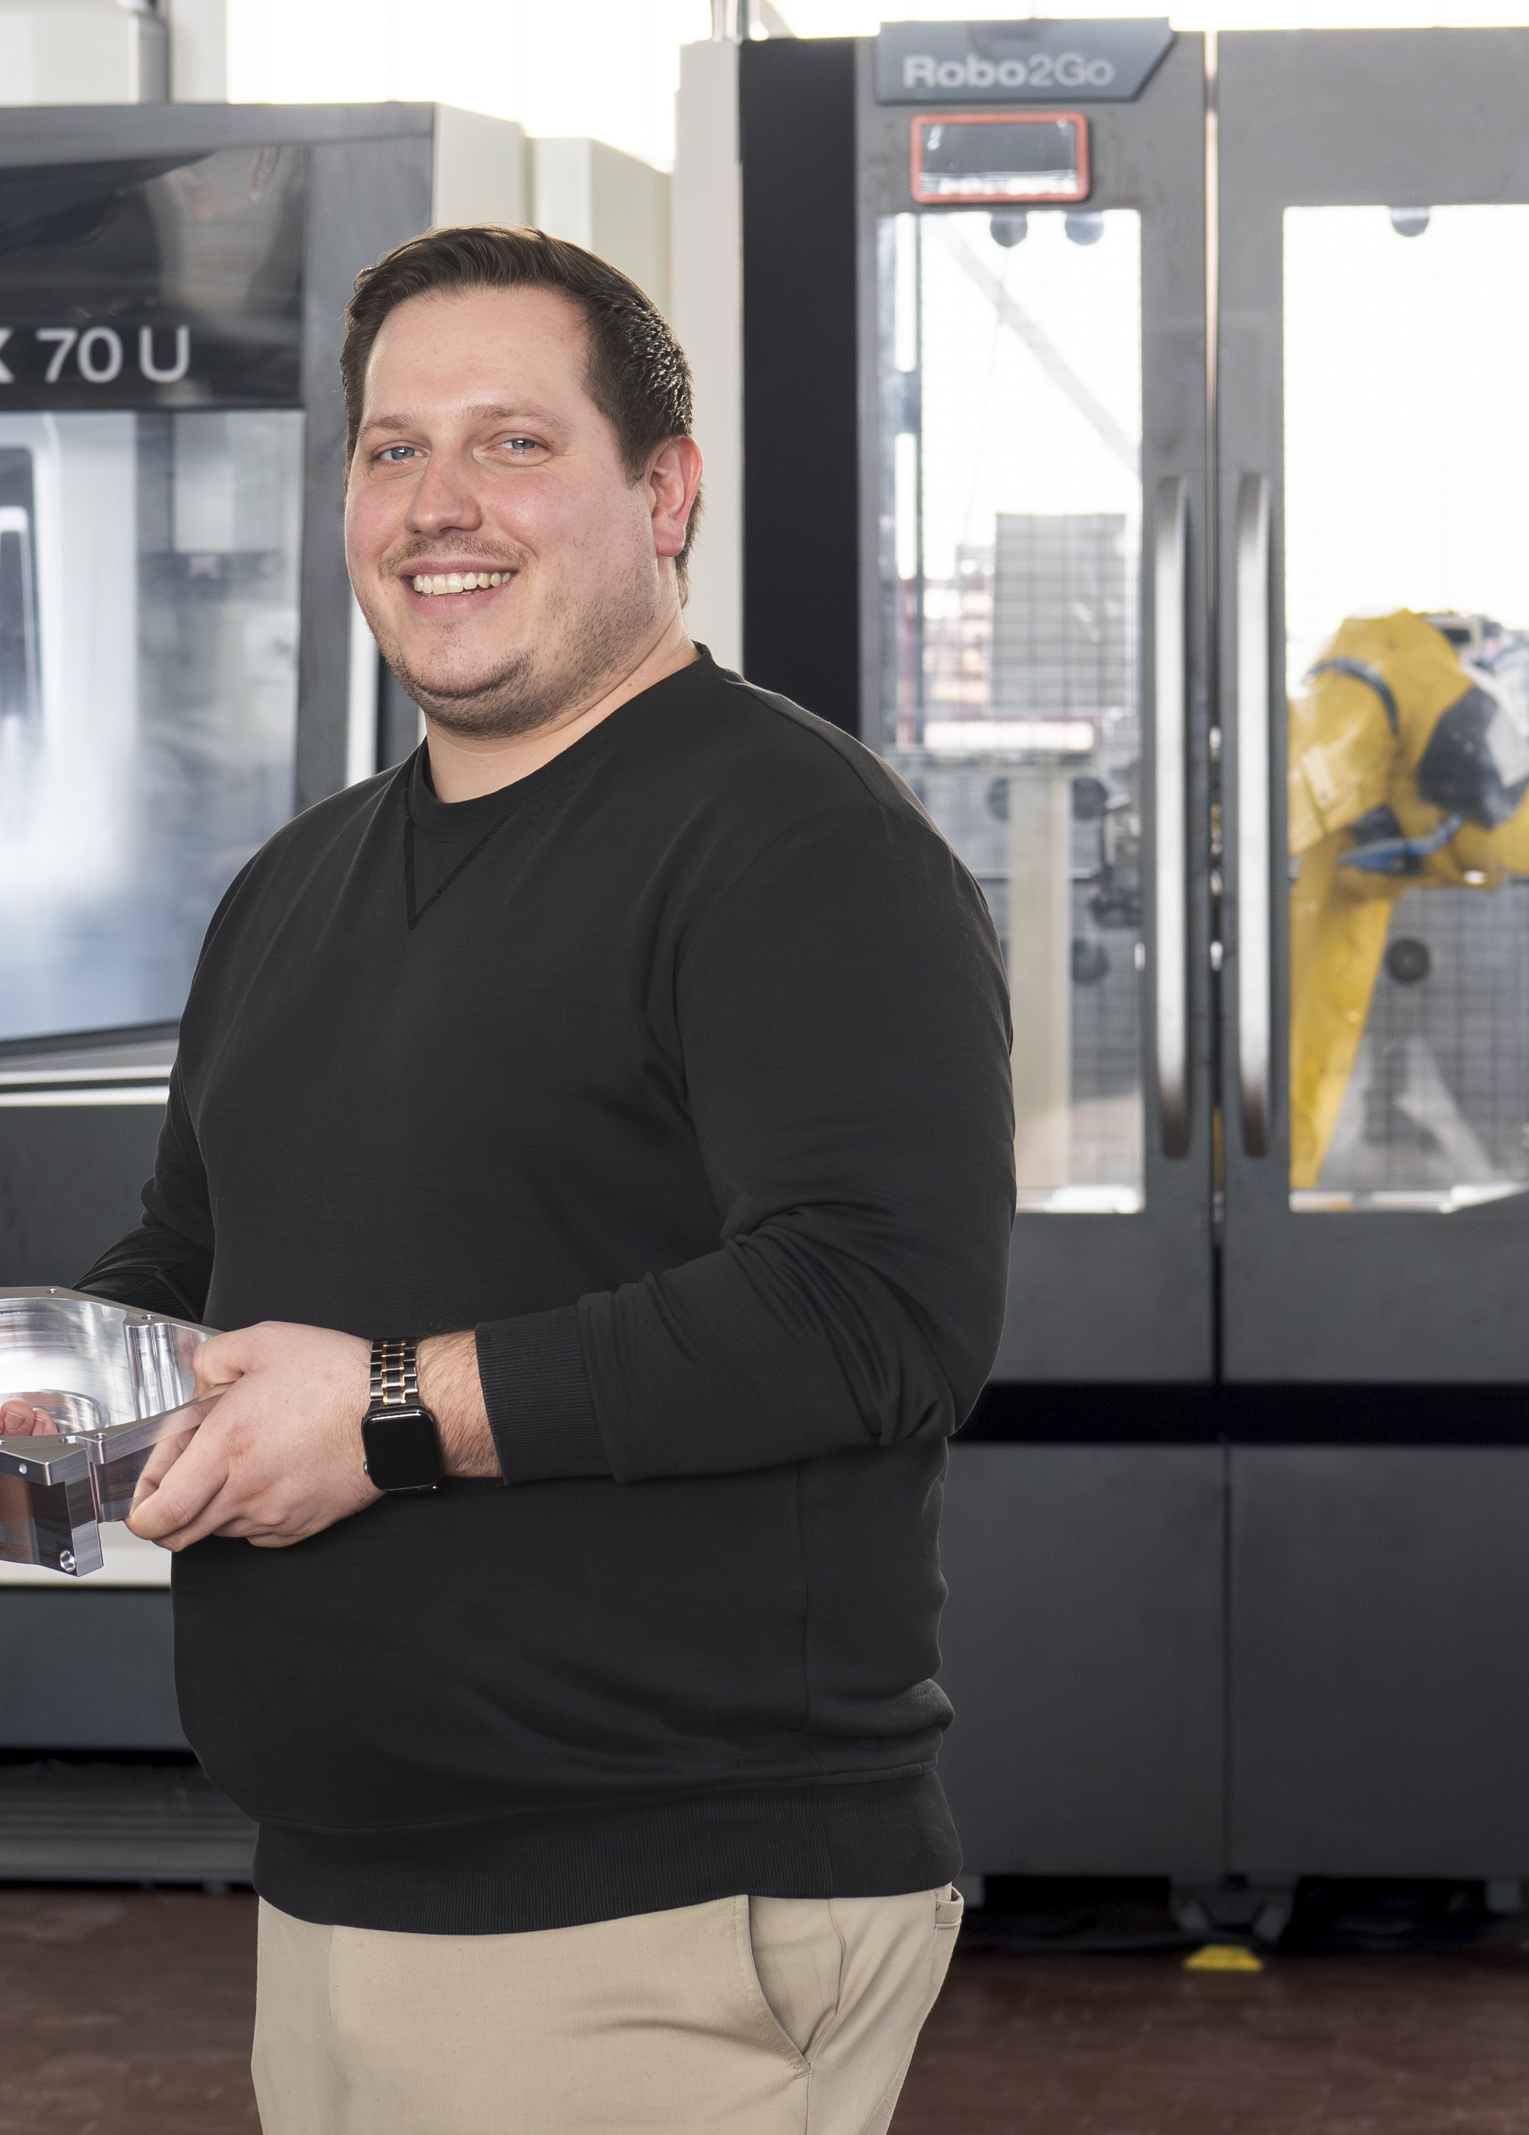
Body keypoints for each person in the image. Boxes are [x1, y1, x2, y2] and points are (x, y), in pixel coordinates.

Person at [82, 226, 1015, 2134]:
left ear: (666, 495)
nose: (439, 505)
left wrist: (389, 1412)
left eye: (513, 443)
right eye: (393, 449)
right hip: (337, 1883)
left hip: (661, 1908)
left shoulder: (796, 843)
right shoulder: (295, 886)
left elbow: (871, 1312)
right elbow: (192, 1263)